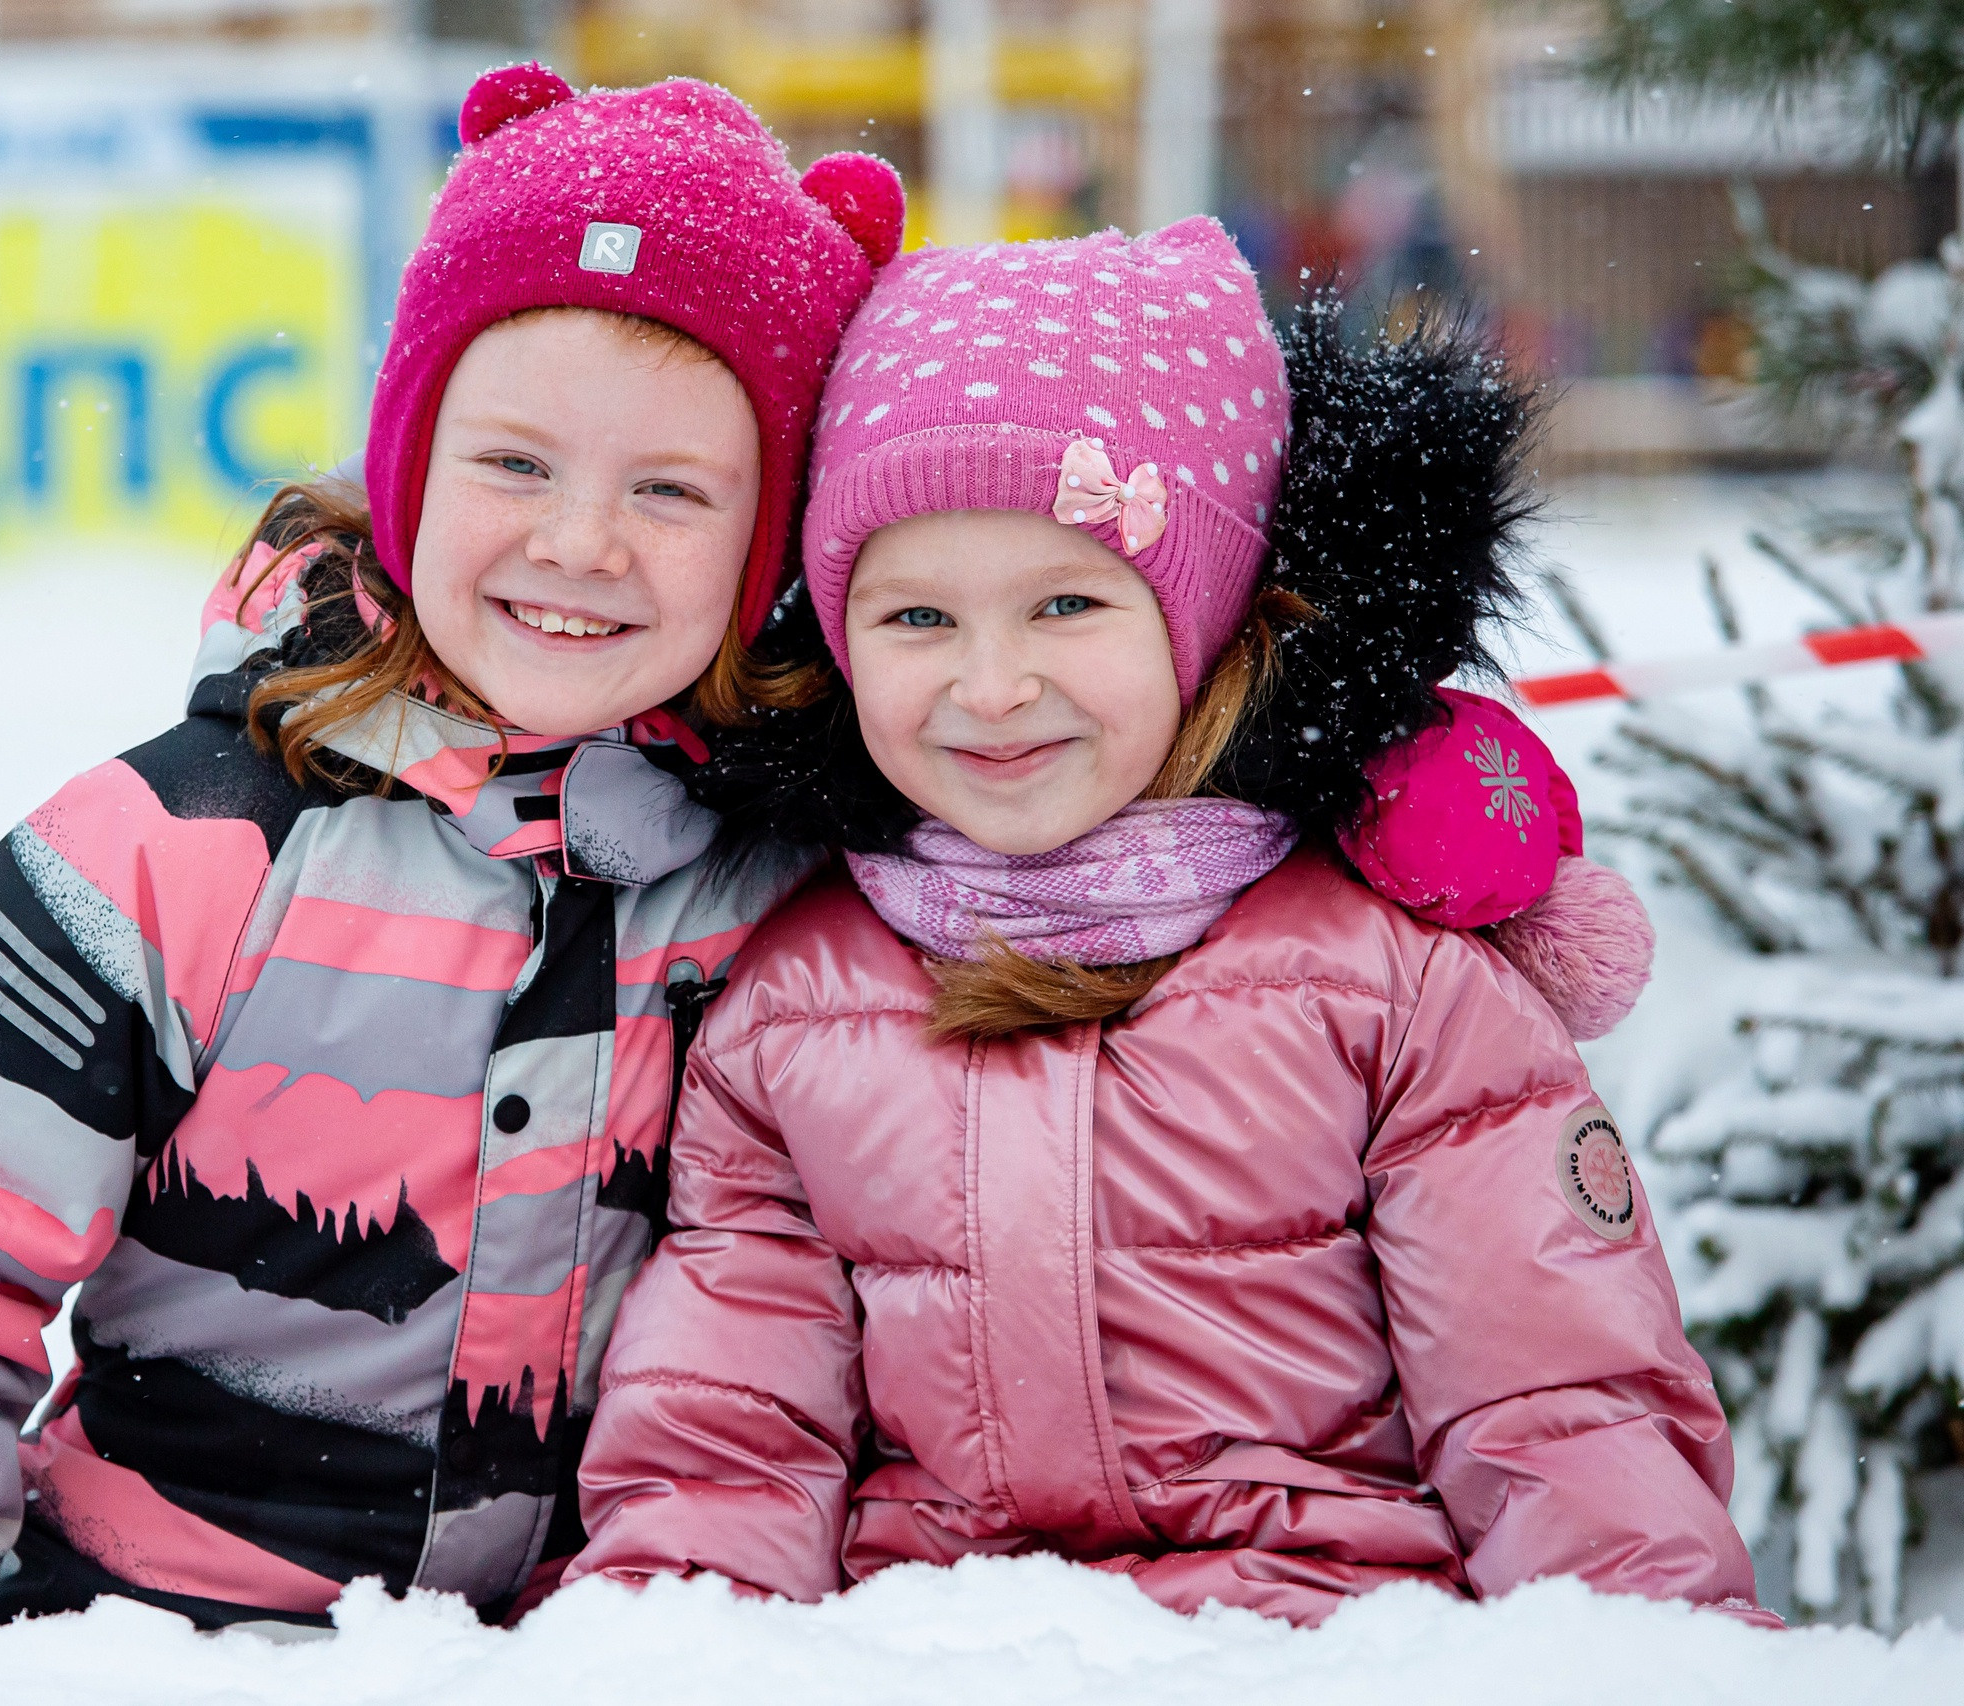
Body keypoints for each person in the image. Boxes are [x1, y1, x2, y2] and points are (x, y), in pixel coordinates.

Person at [0, 64, 905, 1633]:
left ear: (769, 536)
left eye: (674, 490)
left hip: (587, 1653)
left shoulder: (792, 890)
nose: (579, 542)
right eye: (514, 463)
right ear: (410, 461)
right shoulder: (185, 845)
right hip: (146, 1635)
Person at [566, 218, 1776, 1627]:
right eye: (916, 620)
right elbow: (730, 1434)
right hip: (941, 1643)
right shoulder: (793, 1009)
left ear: (1203, 620)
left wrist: (1640, 1653)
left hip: (1330, 1637)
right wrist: (664, 1642)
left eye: (1067, 602)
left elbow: (1561, 1414)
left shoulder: (1392, 989)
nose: (993, 684)